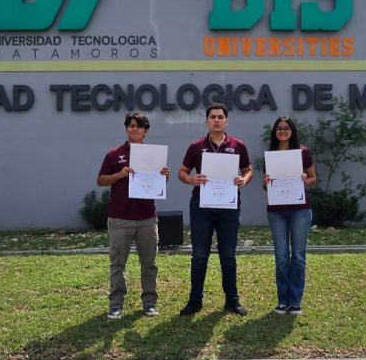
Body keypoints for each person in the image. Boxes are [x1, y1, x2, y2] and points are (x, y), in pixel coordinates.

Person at [177, 103, 253, 316]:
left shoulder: (238, 145)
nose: (217, 120)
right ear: (207, 121)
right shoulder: (196, 146)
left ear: (226, 121)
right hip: (201, 206)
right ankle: (195, 301)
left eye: (220, 117)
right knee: (199, 255)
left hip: (228, 207)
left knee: (228, 255)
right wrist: (191, 179)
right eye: (213, 117)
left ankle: (232, 300)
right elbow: (182, 172)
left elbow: (248, 170)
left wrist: (244, 180)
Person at [97, 112, 170, 320]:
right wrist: (120, 174)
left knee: (149, 264)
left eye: (138, 126)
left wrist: (164, 176)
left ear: (146, 131)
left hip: (147, 218)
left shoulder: (154, 155)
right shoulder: (114, 154)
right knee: (117, 264)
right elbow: (101, 180)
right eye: (131, 125)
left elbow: (158, 185)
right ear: (126, 129)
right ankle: (116, 304)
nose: (134, 129)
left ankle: (149, 302)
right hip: (120, 218)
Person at [262, 116, 317, 316]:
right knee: (281, 257)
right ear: (274, 132)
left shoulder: (302, 152)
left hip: (300, 210)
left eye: (286, 128)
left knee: (299, 256)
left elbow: (313, 179)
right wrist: (266, 182)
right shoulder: (270, 155)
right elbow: (265, 186)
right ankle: (282, 301)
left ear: (292, 131)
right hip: (277, 211)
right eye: (279, 128)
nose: (283, 131)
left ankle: (295, 301)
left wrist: (304, 179)